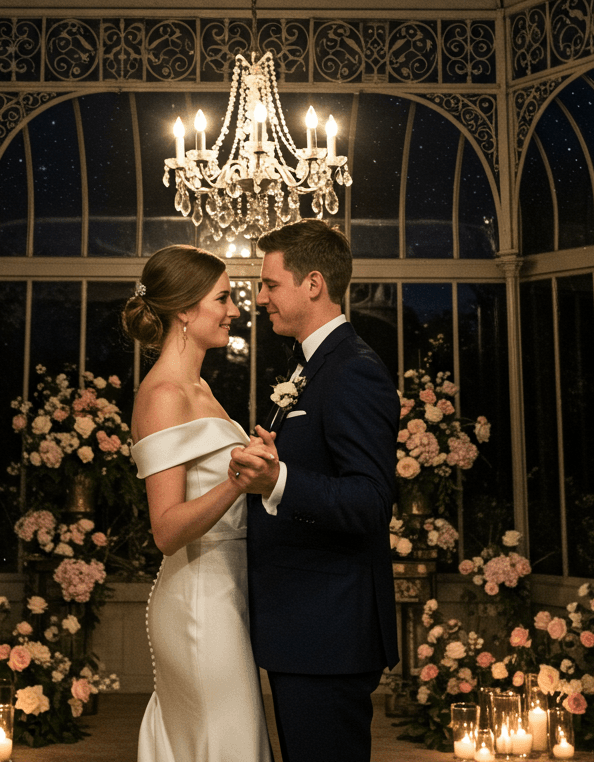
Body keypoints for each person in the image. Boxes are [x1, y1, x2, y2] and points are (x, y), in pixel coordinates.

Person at [230, 219, 399, 762]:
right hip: (304, 627)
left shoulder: (353, 370)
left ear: (313, 283)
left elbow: (371, 501)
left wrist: (276, 479)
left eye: (269, 284)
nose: (259, 298)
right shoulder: (310, 365)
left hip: (328, 633)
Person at [124, 244, 274, 762]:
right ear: (185, 309)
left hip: (225, 594)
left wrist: (259, 469)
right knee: (226, 742)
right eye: (224, 298)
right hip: (199, 605)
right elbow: (165, 530)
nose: (235, 309)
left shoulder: (200, 386)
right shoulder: (165, 394)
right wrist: (236, 481)